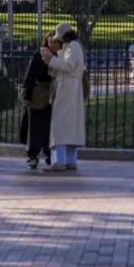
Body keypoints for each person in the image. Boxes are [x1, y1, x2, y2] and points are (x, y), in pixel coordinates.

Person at [41, 23, 86, 173]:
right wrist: (50, 60)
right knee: (70, 124)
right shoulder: (70, 47)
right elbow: (61, 68)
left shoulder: (73, 47)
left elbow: (68, 66)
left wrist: (51, 60)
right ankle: (69, 160)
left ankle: (60, 160)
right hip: (68, 86)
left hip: (67, 87)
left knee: (60, 123)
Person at [19, 35, 55, 170]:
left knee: (49, 128)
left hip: (52, 96)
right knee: (33, 128)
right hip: (37, 95)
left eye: (55, 42)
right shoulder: (39, 56)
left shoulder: (58, 56)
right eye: (50, 42)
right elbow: (30, 75)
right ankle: (33, 155)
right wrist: (27, 95)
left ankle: (49, 154)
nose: (52, 45)